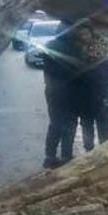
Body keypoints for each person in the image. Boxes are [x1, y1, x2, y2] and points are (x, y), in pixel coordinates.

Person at [41, 19, 85, 169]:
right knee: (70, 123)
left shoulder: (49, 46)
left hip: (53, 91)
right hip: (71, 92)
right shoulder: (76, 48)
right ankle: (66, 156)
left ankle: (50, 156)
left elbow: (46, 69)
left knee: (55, 123)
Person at [74, 21, 108, 151]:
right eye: (81, 34)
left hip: (102, 92)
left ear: (91, 33)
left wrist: (106, 88)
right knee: (87, 124)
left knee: (103, 123)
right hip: (84, 95)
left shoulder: (103, 47)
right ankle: (89, 151)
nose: (84, 37)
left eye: (86, 33)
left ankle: (104, 150)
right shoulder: (76, 49)